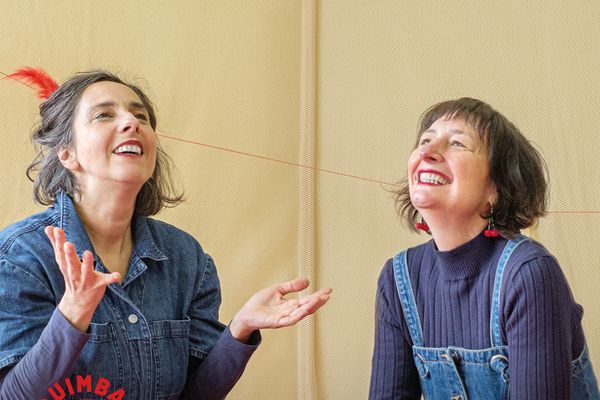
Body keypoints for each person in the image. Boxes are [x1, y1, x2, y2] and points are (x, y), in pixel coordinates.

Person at [0, 69, 332, 400]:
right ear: (66, 152)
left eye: (140, 115)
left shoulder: (186, 256)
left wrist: (240, 329)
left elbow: (196, 395)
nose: (131, 122)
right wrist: (72, 314)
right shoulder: (21, 257)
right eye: (104, 115)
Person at [369, 98, 599, 399]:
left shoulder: (529, 273)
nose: (427, 151)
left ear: (496, 188)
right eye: (425, 140)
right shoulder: (397, 280)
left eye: (457, 143)